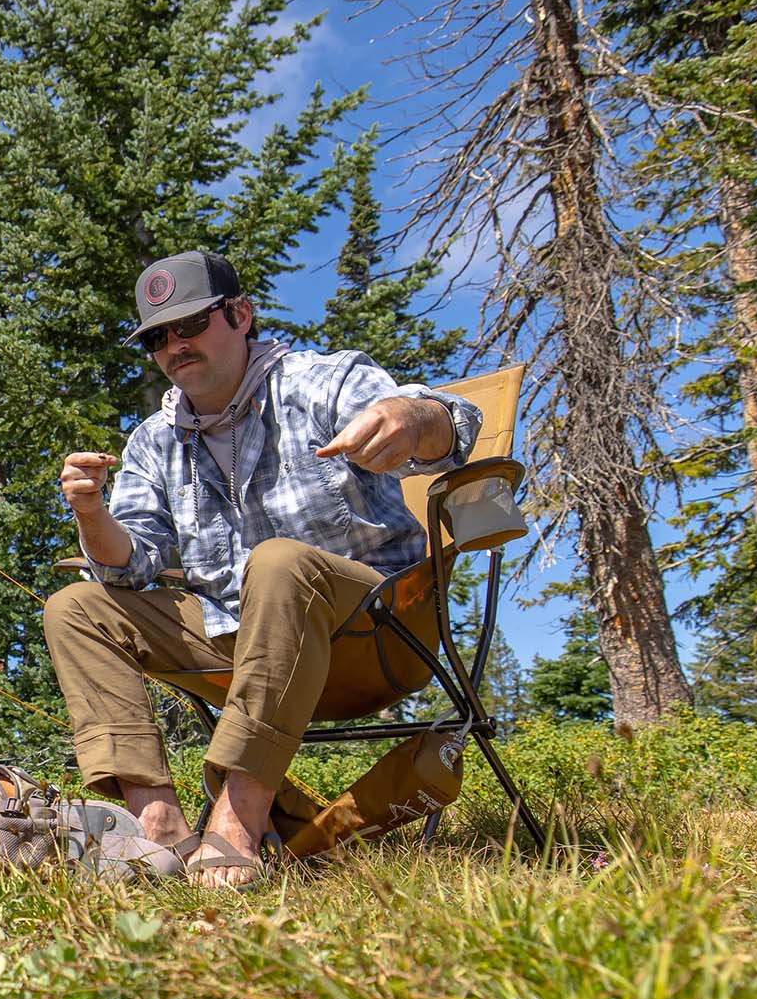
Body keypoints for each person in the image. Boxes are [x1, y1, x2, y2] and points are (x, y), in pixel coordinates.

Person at [44, 249, 482, 889]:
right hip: (237, 652)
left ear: (241, 314)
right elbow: (133, 564)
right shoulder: (154, 441)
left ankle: (237, 820)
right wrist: (89, 513)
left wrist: (416, 421)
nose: (175, 346)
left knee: (276, 563)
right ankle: (157, 825)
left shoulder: (316, 384)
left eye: (191, 324)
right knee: (75, 607)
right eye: (158, 338)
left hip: (376, 637)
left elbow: (457, 423)